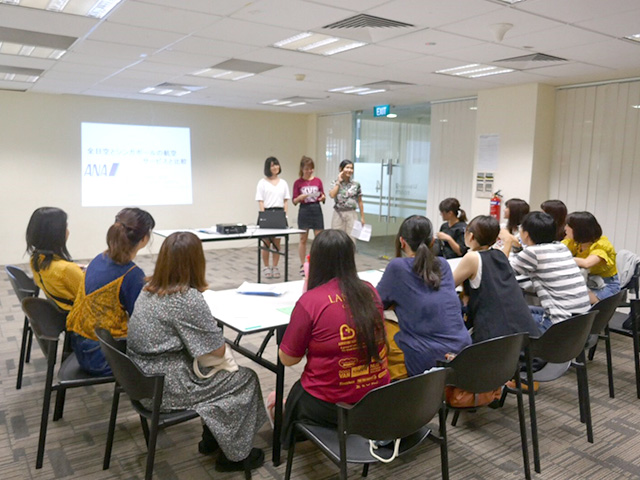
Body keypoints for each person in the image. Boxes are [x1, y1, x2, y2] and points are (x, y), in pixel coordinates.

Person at [127, 232, 266, 472]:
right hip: (164, 388)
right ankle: (234, 456)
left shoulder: (148, 288)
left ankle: (212, 439)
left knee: (216, 371)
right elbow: (216, 352)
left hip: (141, 379)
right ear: (196, 261)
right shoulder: (186, 298)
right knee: (244, 379)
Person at [279, 229, 389, 447]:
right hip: (375, 398)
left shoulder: (310, 301)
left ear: (316, 260)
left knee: (293, 397)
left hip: (331, 403)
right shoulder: (370, 291)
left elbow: (288, 359)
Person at [377, 215, 471, 380]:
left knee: (383, 325)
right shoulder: (443, 264)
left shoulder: (397, 267)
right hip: (463, 353)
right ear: (433, 241)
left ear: (402, 241)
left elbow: (376, 303)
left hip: (429, 359)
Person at [66, 207, 155, 376]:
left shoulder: (99, 258)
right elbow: (141, 319)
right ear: (144, 238)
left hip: (80, 345)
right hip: (101, 356)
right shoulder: (131, 274)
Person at [453, 215, 540, 342]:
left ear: (470, 236)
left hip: (495, 340)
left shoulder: (472, 257)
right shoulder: (499, 255)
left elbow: (448, 285)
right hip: (522, 339)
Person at [503, 211, 591, 332]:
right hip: (581, 323)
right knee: (521, 310)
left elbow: (502, 271)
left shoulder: (533, 253)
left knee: (503, 316)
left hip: (559, 326)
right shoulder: (561, 247)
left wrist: (507, 241)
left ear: (526, 234)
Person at [25, 207, 83, 311]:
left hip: (61, 311)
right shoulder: (66, 269)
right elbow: (91, 298)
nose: (68, 231)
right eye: (65, 227)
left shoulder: (36, 259)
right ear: (56, 233)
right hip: (79, 319)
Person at [563, 211, 620, 303]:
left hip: (606, 286)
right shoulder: (574, 242)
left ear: (579, 230)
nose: (565, 228)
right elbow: (556, 249)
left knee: (570, 300)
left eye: (568, 226)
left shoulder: (602, 245)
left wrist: (561, 258)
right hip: (587, 282)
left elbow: (587, 263)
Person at [255, 156, 290, 279]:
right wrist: (264, 215)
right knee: (266, 243)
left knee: (277, 243)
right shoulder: (262, 182)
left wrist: (285, 215)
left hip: (279, 213)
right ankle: (266, 266)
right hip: (267, 213)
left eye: (277, 164)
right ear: (268, 168)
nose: (275, 167)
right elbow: (261, 201)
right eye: (272, 165)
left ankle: (275, 266)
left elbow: (286, 201)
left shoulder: (283, 183)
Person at [292, 156, 325, 276]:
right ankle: (303, 264)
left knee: (319, 239)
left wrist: (322, 197)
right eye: (307, 169)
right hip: (304, 210)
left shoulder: (318, 181)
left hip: (316, 209)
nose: (309, 171)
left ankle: (318, 264)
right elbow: (294, 201)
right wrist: (301, 197)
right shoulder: (298, 183)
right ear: (302, 169)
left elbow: (322, 195)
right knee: (303, 239)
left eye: (311, 168)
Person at [328, 160, 365, 241]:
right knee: (336, 238)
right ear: (341, 169)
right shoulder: (335, 182)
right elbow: (332, 195)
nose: (350, 170)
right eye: (347, 167)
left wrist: (362, 217)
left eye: (351, 168)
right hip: (338, 213)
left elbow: (360, 201)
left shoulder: (356, 184)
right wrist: (338, 182)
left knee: (351, 239)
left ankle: (350, 254)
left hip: (352, 214)